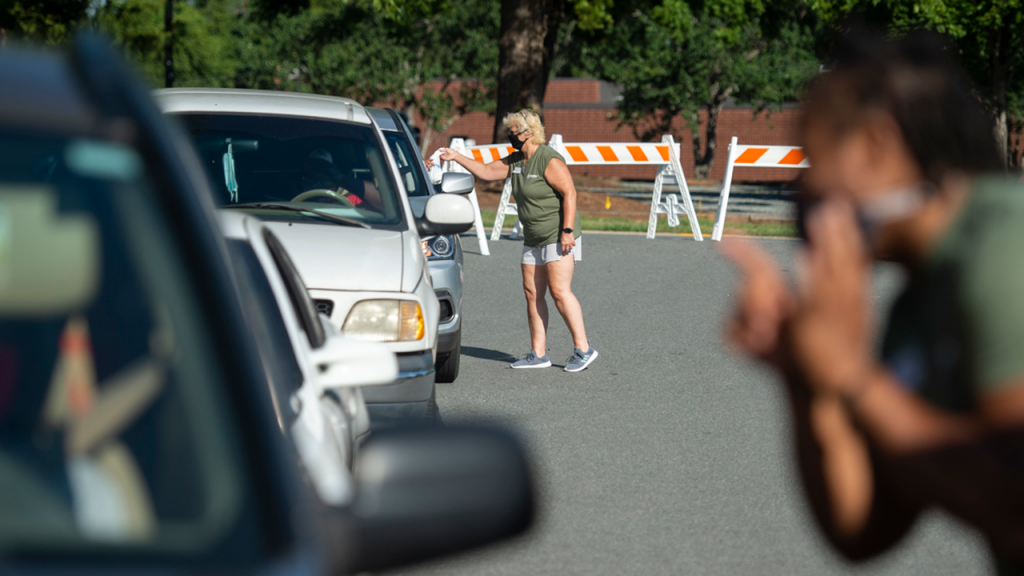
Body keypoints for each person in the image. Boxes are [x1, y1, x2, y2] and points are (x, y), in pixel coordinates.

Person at [723, 28, 1024, 574]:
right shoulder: (919, 299)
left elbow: (1014, 500)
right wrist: (802, 372)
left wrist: (852, 375)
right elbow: (862, 530)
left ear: (876, 145)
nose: (804, 188)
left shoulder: (1007, 240)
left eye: (813, 159)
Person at [438, 110, 598, 372]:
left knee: (559, 292)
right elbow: (487, 172)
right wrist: (456, 156)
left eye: (513, 132)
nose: (510, 136)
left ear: (528, 132)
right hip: (533, 236)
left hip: (557, 234)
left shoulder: (548, 159)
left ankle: (584, 349)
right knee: (532, 292)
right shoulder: (517, 160)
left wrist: (567, 230)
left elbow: (569, 192)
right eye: (509, 132)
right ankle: (538, 354)